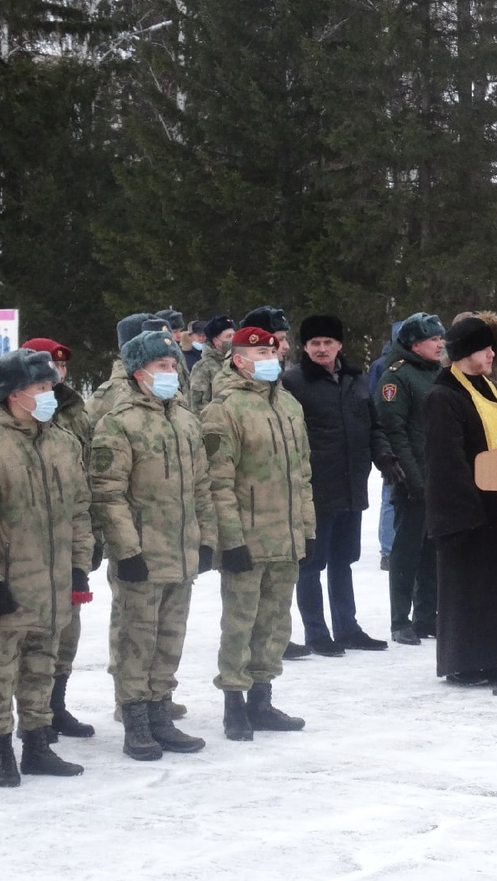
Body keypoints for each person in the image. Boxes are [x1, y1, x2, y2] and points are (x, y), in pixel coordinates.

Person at [0, 349, 94, 786]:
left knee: (42, 664)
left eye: (50, 387)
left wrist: (78, 566)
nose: (49, 395)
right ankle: (1, 748)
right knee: (1, 668)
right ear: (15, 395)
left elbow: (80, 510)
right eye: (40, 388)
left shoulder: (64, 443)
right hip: (9, 580)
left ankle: (37, 743)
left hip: (52, 580)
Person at [91, 330, 215, 760]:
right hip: (142, 554)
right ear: (139, 372)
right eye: (162, 366)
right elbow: (108, 493)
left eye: (173, 364)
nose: (172, 372)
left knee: (169, 638)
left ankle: (161, 711)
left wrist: (207, 539)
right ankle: (136, 720)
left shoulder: (184, 418)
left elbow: (202, 485)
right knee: (136, 641)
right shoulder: (118, 422)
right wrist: (126, 550)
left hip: (181, 551)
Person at [202, 325, 314, 741]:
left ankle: (262, 699)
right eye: (260, 355)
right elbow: (218, 482)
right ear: (239, 359)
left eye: (273, 354)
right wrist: (230, 540)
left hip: (284, 534)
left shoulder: (287, 404)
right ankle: (234, 701)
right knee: (240, 623)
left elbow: (301, 473)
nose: (271, 360)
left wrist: (307, 527)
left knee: (274, 622)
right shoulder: (224, 409)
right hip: (247, 538)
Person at [282, 316, 401, 655]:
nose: (322, 349)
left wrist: (384, 456)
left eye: (328, 342)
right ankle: (317, 633)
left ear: (339, 345)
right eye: (315, 343)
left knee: (343, 560)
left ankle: (347, 627)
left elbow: (373, 425)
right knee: (312, 563)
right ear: (305, 347)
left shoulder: (357, 379)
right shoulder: (293, 383)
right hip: (315, 488)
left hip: (352, 485)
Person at [423, 317, 497, 686]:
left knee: (492, 589)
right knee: (466, 590)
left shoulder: (489, 389)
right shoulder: (442, 397)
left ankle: (492, 656)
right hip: (465, 511)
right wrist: (467, 511)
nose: (492, 354)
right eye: (486, 348)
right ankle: (463, 662)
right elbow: (446, 461)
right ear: (466, 353)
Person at [22, 338, 97, 738]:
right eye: (51, 365)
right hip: (31, 541)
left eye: (63, 367)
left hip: (71, 533)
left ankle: (56, 703)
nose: (58, 373)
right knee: (34, 630)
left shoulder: (74, 409)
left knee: (69, 625)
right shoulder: (19, 406)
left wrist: (91, 536)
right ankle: (31, 712)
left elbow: (88, 476)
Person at [376, 312, 446, 645]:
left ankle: (426, 616)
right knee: (406, 552)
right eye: (434, 339)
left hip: (438, 476)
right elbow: (395, 431)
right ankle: (399, 620)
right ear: (415, 344)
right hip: (413, 480)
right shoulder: (396, 378)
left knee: (432, 550)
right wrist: (414, 480)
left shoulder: (436, 374)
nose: (440, 344)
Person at [368, 322, 404, 570]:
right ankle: (388, 550)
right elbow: (373, 402)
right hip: (390, 437)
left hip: (404, 436)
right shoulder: (382, 366)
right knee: (390, 494)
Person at [188, 314, 237, 414]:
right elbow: (197, 405)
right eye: (228, 336)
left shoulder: (238, 362)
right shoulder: (204, 367)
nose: (233, 339)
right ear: (216, 341)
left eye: (234, 335)